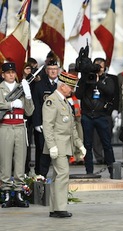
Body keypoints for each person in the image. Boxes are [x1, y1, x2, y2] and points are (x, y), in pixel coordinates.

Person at [42, 71, 86, 218]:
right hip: (57, 144)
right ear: (62, 86)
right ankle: (60, 208)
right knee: (63, 174)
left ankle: (55, 208)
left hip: (65, 144)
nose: (72, 90)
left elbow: (71, 127)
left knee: (57, 176)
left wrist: (79, 144)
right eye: (70, 87)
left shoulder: (65, 102)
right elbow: (47, 126)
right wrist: (51, 145)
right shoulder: (52, 101)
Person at [0, 62, 34, 208]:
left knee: (20, 160)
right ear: (3, 74)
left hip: (20, 127)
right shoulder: (0, 88)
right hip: (5, 127)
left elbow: (30, 111)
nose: (11, 75)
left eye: (13, 72)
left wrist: (27, 95)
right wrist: (10, 105)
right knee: (5, 160)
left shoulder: (22, 87)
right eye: (8, 73)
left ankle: (19, 192)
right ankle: (6, 192)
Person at [75, 57, 115, 177]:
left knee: (106, 144)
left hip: (102, 116)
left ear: (104, 68)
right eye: (95, 66)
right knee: (87, 144)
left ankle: (113, 170)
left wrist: (97, 82)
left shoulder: (108, 79)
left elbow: (110, 92)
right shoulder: (86, 79)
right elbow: (78, 94)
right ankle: (89, 171)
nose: (97, 69)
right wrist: (84, 80)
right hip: (87, 115)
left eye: (100, 67)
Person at [32, 60, 59, 176]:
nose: (53, 71)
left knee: (59, 150)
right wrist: (37, 123)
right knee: (42, 150)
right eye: (50, 69)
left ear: (58, 70)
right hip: (43, 123)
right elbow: (36, 105)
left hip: (59, 124)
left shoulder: (62, 84)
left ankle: (59, 176)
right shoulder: (39, 85)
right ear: (46, 70)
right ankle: (40, 176)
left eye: (55, 69)